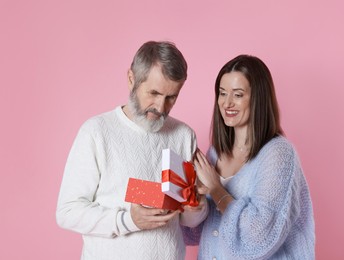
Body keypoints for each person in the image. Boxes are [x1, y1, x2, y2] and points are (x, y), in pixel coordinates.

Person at [56, 41, 207, 260]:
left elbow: (187, 221)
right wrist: (128, 221)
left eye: (171, 97)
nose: (160, 107)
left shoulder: (184, 135)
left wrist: (196, 205)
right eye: (153, 93)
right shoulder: (96, 131)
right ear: (131, 79)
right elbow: (67, 212)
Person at [182, 55, 315, 259]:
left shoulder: (278, 154)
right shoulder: (216, 153)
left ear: (258, 98)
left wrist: (216, 190)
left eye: (238, 94)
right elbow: (201, 231)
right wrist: (195, 203)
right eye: (222, 93)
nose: (227, 103)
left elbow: (260, 237)